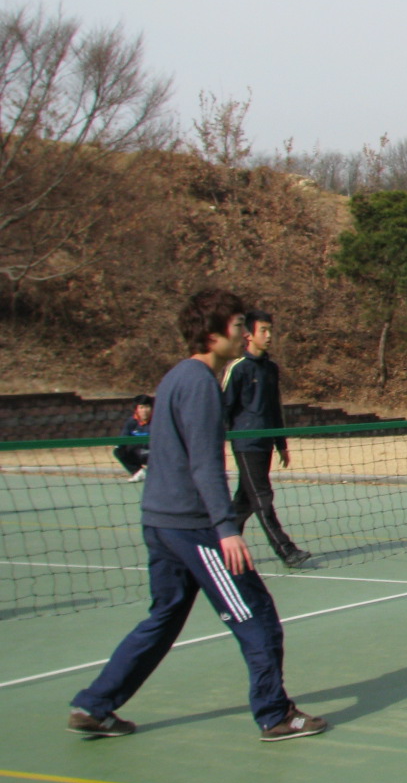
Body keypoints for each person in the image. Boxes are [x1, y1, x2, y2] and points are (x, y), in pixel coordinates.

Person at [66, 289, 328, 742]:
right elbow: (204, 463)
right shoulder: (202, 383)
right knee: (257, 615)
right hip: (193, 528)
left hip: (159, 523)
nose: (245, 332)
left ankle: (94, 704)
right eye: (238, 325)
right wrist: (226, 529)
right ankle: (274, 715)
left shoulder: (174, 377)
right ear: (212, 334)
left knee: (164, 617)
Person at [223, 309, 312, 569]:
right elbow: (223, 407)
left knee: (245, 500)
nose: (269, 335)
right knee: (262, 496)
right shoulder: (238, 368)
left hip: (265, 443)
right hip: (246, 444)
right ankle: (286, 550)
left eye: (270, 330)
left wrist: (281, 444)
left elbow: (274, 409)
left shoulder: (271, 369)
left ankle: (219, 546)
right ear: (248, 335)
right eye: (264, 330)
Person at [112, 395, 154, 481]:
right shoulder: (131, 422)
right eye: (141, 407)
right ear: (136, 409)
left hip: (154, 454)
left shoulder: (159, 421)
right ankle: (138, 472)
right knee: (118, 451)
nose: (144, 410)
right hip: (138, 453)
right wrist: (119, 447)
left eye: (147, 407)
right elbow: (123, 438)